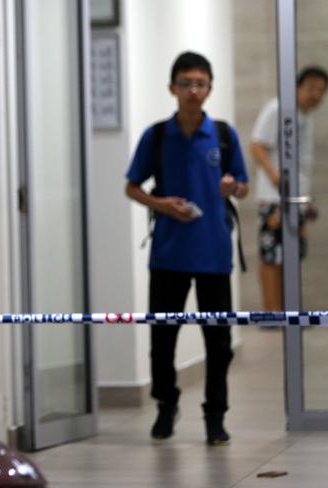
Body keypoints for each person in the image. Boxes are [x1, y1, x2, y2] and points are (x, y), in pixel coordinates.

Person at [125, 51, 249, 445]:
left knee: (219, 342)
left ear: (209, 88)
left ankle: (216, 415)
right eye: (186, 83)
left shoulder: (225, 136)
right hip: (169, 253)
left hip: (214, 254)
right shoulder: (157, 135)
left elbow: (242, 185)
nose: (193, 91)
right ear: (172, 88)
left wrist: (234, 187)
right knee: (163, 338)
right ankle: (166, 404)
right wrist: (162, 205)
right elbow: (131, 186)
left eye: (200, 83)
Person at [251, 66, 328, 312]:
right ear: (297, 87)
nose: (316, 94)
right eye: (311, 88)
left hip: (297, 198)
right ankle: (272, 314)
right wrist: (276, 177)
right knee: (271, 257)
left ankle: (288, 314)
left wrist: (305, 200)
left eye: (321, 90)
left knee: (292, 256)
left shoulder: (306, 117)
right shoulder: (278, 109)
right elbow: (257, 145)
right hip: (275, 197)